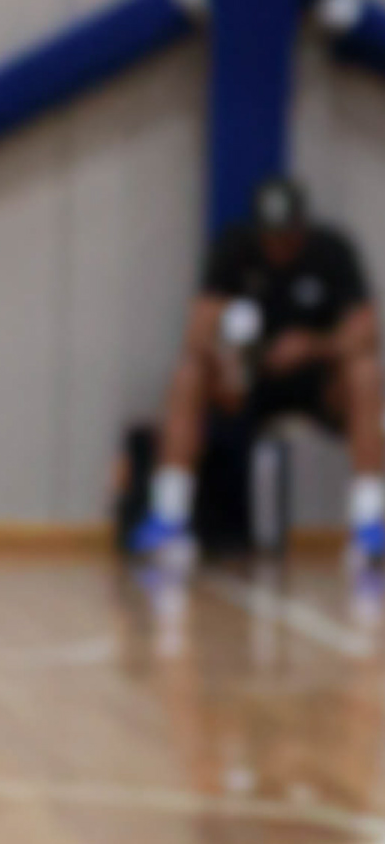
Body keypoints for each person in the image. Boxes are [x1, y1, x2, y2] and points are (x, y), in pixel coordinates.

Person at [132, 174, 385, 565]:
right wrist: (229, 351)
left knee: (365, 373)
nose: (278, 245)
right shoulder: (234, 250)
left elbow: (366, 333)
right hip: (246, 381)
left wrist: (313, 345)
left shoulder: (332, 252)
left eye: (287, 236)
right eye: (270, 236)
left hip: (316, 382)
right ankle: (169, 517)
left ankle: (369, 523)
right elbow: (197, 330)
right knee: (188, 373)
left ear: (302, 228)